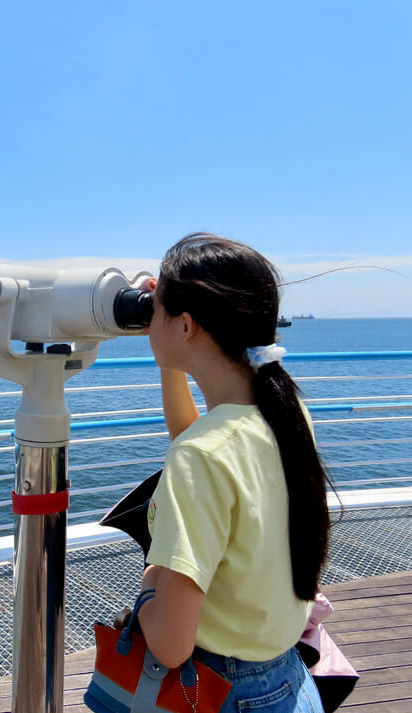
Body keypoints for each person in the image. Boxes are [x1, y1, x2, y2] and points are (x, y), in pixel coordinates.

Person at [137, 233, 329, 712]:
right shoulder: (283, 411)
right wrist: (169, 356)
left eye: (154, 310)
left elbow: (170, 645)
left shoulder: (201, 457)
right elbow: (198, 440)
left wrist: (149, 585)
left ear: (186, 326)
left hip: (223, 691)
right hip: (288, 678)